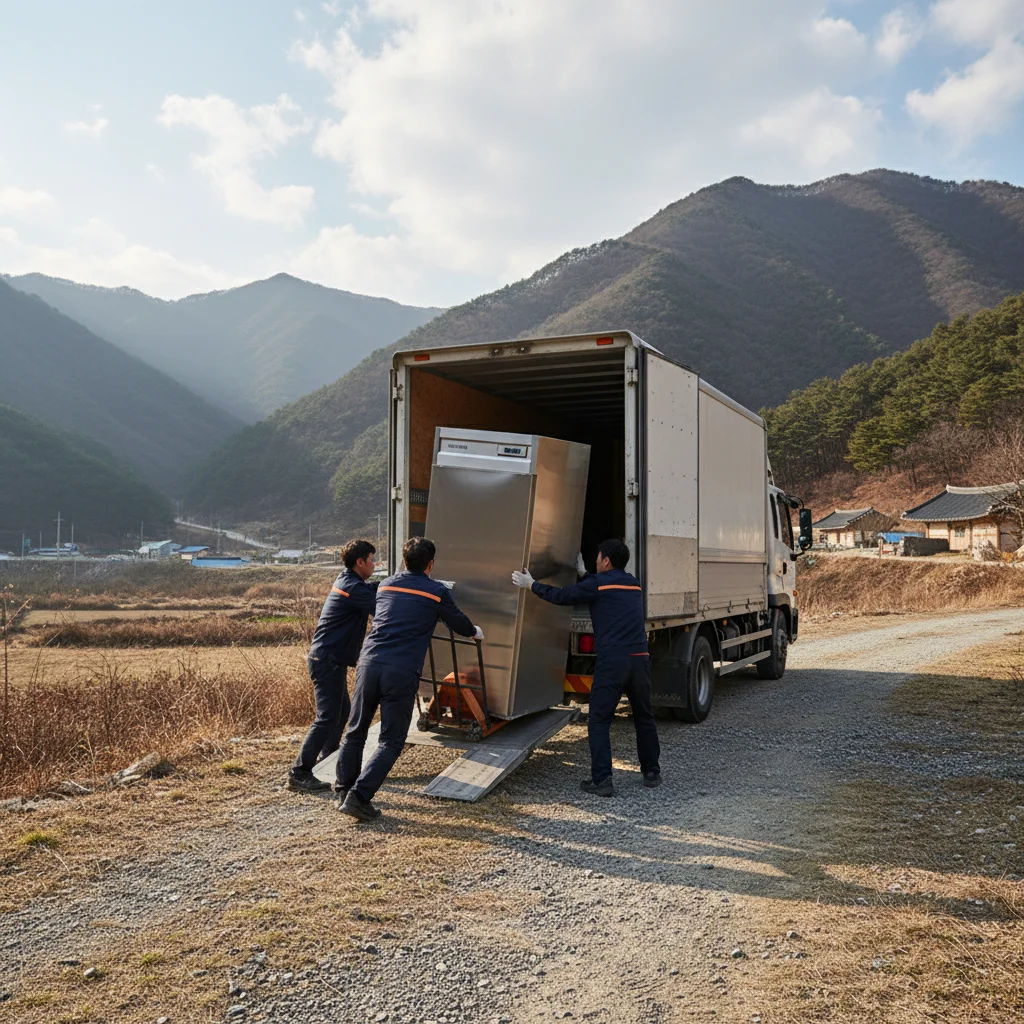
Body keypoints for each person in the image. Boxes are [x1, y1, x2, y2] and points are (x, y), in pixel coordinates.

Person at [337, 536, 483, 821]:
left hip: (369, 663)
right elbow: (460, 624)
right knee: (391, 740)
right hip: (400, 670)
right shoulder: (436, 591)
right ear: (430, 564)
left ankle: (343, 791)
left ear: (404, 561)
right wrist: (475, 631)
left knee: (356, 730)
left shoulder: (385, 585)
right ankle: (359, 797)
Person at [512, 539, 660, 796]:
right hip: (639, 659)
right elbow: (604, 589)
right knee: (644, 717)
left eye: (598, 557)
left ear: (606, 561)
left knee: (599, 720)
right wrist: (584, 574)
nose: (595, 561)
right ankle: (652, 772)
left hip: (613, 661)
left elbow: (562, 596)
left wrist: (531, 585)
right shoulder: (633, 584)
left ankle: (602, 780)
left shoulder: (597, 585)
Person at [287, 539, 378, 794]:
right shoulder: (353, 588)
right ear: (360, 562)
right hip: (327, 661)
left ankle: (329, 757)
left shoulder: (349, 581)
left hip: (329, 660)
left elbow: (372, 589)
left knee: (341, 712)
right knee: (327, 717)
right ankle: (299, 772)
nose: (375, 563)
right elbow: (379, 605)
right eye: (372, 559)